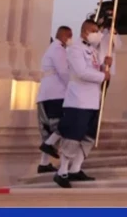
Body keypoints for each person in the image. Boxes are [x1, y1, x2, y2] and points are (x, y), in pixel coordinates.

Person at [54, 19, 110, 189]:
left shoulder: (92, 50)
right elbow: (81, 72)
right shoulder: (75, 49)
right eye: (94, 30)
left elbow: (95, 69)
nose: (97, 34)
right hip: (78, 100)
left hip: (93, 100)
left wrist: (104, 66)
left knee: (89, 137)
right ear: (85, 31)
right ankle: (62, 170)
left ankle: (76, 168)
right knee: (72, 136)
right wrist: (102, 76)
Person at [37, 25, 72, 173]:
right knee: (63, 124)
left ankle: (44, 163)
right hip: (56, 94)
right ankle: (49, 145)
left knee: (48, 130)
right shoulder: (58, 50)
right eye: (70, 36)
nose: (71, 39)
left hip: (46, 94)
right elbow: (64, 72)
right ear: (64, 36)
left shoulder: (50, 49)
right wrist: (73, 88)